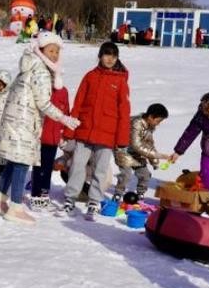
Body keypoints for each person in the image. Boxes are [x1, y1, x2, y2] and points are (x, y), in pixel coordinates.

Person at [0, 32, 80, 223]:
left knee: (14, 160)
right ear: (41, 50)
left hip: (16, 120)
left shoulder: (29, 65)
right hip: (25, 122)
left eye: (57, 51)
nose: (54, 55)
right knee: (22, 162)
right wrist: (63, 118)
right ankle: (15, 207)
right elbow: (43, 103)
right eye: (50, 50)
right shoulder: (41, 70)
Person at [60, 41, 129, 219]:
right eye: (106, 54)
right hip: (84, 132)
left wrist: (122, 139)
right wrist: (69, 130)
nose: (110, 59)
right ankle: (70, 199)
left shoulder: (120, 81)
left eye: (113, 56)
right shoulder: (90, 76)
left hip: (107, 135)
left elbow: (124, 111)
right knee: (77, 165)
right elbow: (78, 103)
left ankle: (94, 202)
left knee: (100, 169)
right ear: (99, 56)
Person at [28, 79, 69, 212]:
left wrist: (63, 133)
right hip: (39, 135)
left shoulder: (63, 91)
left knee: (48, 166)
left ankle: (44, 194)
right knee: (38, 165)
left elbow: (66, 112)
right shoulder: (41, 87)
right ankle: (35, 195)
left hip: (53, 137)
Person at [114, 103, 168, 200]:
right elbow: (136, 145)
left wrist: (154, 161)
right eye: (158, 121)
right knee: (126, 174)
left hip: (137, 154)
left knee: (145, 174)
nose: (158, 124)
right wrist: (159, 155)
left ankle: (140, 193)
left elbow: (149, 144)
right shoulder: (136, 123)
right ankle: (118, 194)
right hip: (123, 151)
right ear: (150, 117)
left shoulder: (149, 127)